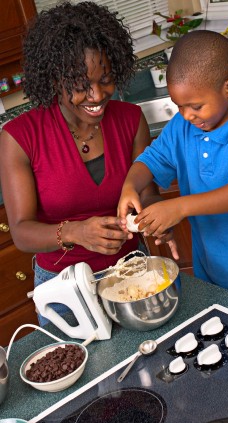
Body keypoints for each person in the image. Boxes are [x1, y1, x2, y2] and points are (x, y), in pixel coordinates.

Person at [0, 1, 177, 325]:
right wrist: (76, 232)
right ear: (55, 80)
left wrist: (157, 219)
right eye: (81, 86)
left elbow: (146, 194)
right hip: (65, 292)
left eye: (106, 79)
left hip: (133, 276)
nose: (96, 95)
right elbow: (23, 233)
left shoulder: (130, 119)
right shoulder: (19, 137)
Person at [118, 30, 228, 309]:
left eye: (195, 106)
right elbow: (151, 158)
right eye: (179, 107)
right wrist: (129, 186)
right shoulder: (183, 126)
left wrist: (179, 207)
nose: (186, 115)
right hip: (213, 276)